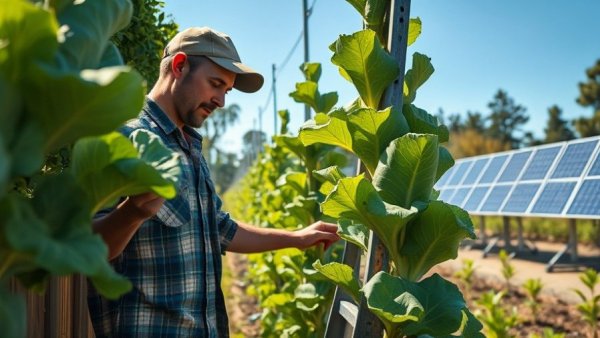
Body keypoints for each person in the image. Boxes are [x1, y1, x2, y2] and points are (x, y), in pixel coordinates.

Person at [87, 27, 340, 338]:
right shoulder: (125, 139)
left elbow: (219, 229)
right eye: (215, 84)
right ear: (179, 66)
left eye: (227, 91)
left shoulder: (188, 145)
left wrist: (297, 237)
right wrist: (134, 212)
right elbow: (90, 250)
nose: (220, 101)